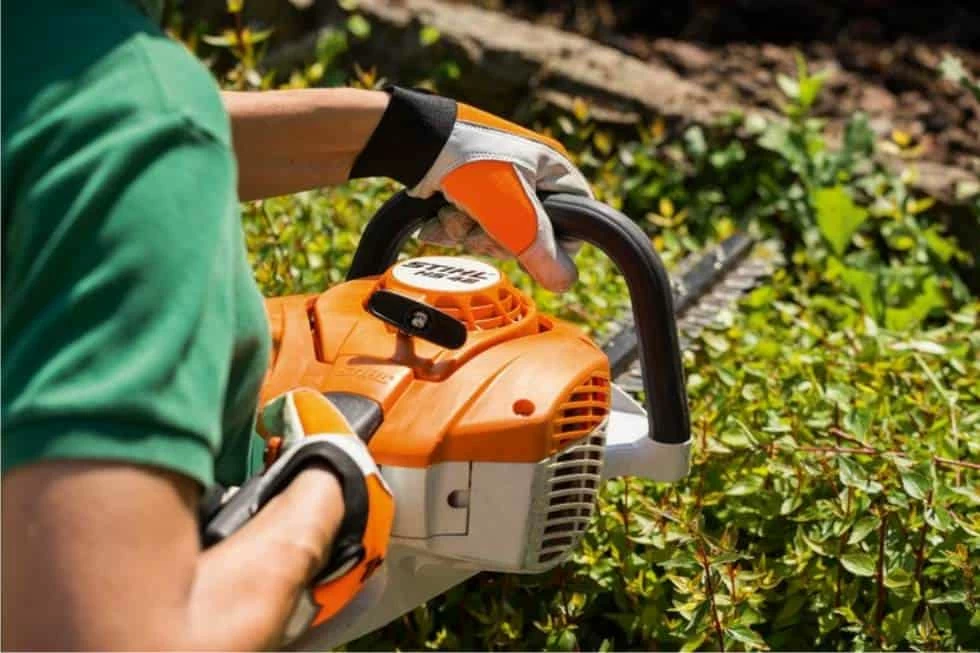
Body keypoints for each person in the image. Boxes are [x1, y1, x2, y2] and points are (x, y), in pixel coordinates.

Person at [0, 0, 593, 649]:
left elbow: (79, 119)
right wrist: (322, 492)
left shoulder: (48, 54)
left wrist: (414, 137)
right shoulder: (136, 118)